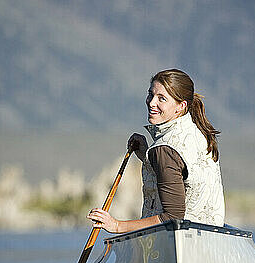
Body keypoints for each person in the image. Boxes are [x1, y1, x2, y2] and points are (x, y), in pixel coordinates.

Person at [87, 69, 225, 233]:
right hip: (210, 240)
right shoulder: (199, 134)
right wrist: (147, 156)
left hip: (178, 243)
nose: (152, 102)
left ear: (181, 106)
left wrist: (117, 226)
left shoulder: (164, 149)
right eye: (151, 94)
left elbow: (173, 217)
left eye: (162, 99)